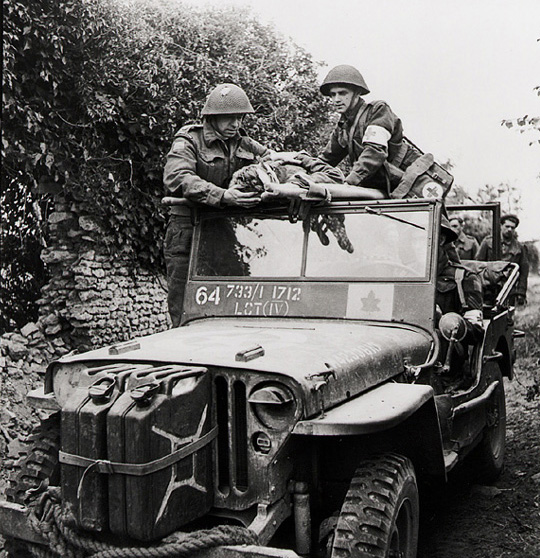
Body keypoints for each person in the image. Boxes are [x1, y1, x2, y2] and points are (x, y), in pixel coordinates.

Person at [163, 83, 295, 326]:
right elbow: (178, 177)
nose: (236, 123)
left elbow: (275, 163)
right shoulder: (188, 140)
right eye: (229, 117)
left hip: (224, 232)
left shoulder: (243, 144)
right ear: (211, 117)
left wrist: (278, 184)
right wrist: (223, 196)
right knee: (184, 308)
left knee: (234, 301)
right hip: (188, 231)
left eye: (239, 117)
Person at [317, 64, 422, 196]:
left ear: (357, 93)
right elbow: (326, 159)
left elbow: (375, 151)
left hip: (412, 184)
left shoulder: (378, 111)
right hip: (385, 190)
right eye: (333, 95)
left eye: (342, 93)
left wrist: (350, 182)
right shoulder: (343, 127)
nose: (336, 99)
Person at [436, 217, 484, 390]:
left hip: (447, 363)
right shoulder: (404, 277)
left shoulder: (464, 278)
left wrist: (446, 321)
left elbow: (476, 331)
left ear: (440, 239)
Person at [477, 214, 529, 306]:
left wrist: (521, 292)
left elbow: (524, 272)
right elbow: (477, 265)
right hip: (488, 289)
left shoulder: (519, 247)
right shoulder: (488, 242)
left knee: (507, 317)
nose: (509, 229)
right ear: (501, 226)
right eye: (507, 226)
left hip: (508, 289)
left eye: (512, 228)